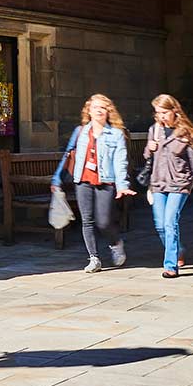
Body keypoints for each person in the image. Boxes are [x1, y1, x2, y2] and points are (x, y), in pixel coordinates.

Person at [143, 94, 193, 278]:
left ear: (174, 111)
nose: (160, 116)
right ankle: (178, 250)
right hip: (158, 183)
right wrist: (149, 149)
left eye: (164, 112)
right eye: (158, 112)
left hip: (179, 183)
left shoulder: (187, 134)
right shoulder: (154, 130)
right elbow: (148, 157)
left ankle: (170, 266)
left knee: (170, 222)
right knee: (160, 225)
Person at [58, 94, 133, 273]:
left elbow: (120, 161)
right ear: (88, 111)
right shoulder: (80, 132)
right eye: (95, 107)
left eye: (103, 107)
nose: (99, 110)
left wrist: (122, 185)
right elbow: (68, 153)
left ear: (108, 111)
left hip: (105, 180)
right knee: (87, 220)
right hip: (82, 180)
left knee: (104, 221)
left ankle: (116, 243)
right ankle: (94, 258)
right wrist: (57, 179)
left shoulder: (116, 134)